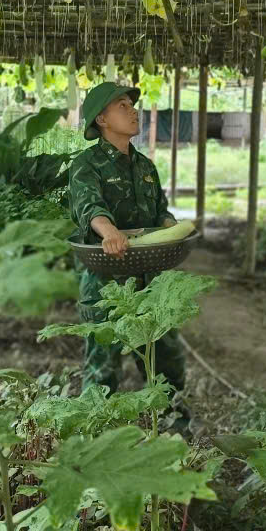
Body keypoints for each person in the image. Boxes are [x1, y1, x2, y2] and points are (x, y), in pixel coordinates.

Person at [68, 81, 189, 430]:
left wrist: (171, 226)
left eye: (131, 105)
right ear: (102, 119)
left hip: (150, 280)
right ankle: (97, 437)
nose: (134, 111)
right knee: (103, 366)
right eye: (123, 106)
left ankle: (175, 429)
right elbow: (90, 207)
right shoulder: (86, 165)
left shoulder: (146, 166)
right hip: (105, 283)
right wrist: (110, 233)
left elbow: (160, 212)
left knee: (167, 359)